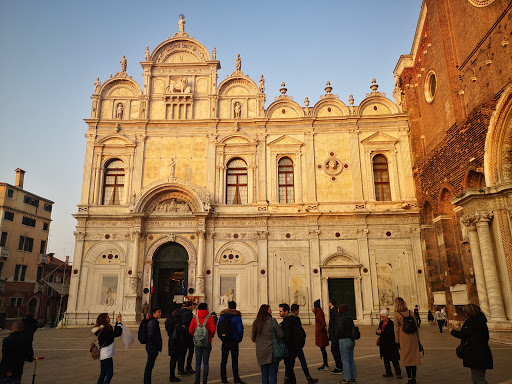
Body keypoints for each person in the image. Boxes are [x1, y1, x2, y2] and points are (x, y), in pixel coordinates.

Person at [450, 304, 493, 384]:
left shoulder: (471, 322)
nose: (465, 314)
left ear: (469, 312)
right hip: (483, 352)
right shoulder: (482, 321)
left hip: (475, 353)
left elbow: (463, 335)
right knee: (479, 377)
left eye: (465, 312)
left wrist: (452, 331)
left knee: (478, 379)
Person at [251, 305, 283, 384]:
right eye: (269, 310)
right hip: (272, 352)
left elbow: (253, 338)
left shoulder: (255, 323)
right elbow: (281, 334)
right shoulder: (272, 321)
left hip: (261, 353)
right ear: (266, 312)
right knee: (272, 375)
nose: (271, 311)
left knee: (264, 375)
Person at [287, 304, 318, 384]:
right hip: (297, 345)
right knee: (302, 362)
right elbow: (299, 332)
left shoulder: (287, 319)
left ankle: (286, 378)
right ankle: (308, 378)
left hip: (291, 345)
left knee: (290, 364)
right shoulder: (296, 319)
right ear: (297, 310)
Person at [218, 301, 246, 384]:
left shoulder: (222, 316)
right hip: (233, 341)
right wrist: (239, 339)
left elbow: (219, 328)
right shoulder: (237, 317)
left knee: (223, 360)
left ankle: (223, 379)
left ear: (228, 307)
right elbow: (240, 329)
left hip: (225, 341)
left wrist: (222, 338)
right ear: (235, 307)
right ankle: (236, 379)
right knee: (234, 360)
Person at [394, 297, 420, 384]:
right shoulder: (410, 312)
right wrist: (418, 339)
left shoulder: (396, 314)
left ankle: (409, 378)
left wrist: (397, 341)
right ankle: (414, 378)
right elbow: (416, 327)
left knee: (407, 359)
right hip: (413, 337)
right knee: (414, 359)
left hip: (403, 338)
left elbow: (396, 329)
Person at [189, 302, 216, 384]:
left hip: (197, 343)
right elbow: (213, 329)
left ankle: (197, 380)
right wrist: (210, 337)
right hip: (207, 342)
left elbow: (190, 330)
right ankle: (204, 380)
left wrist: (195, 337)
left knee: (198, 363)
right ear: (206, 308)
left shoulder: (195, 318)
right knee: (206, 363)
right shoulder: (210, 317)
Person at [92, 313, 123, 384]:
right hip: (106, 354)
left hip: (103, 354)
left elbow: (113, 332)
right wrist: (119, 322)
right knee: (109, 374)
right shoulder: (105, 330)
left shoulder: (103, 329)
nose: (109, 318)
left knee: (103, 374)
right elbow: (117, 333)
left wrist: (117, 323)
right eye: (107, 317)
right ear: (104, 319)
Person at [279, 303, 301, 384]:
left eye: (281, 311)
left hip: (289, 349)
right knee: (289, 369)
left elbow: (287, 337)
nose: (279, 313)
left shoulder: (287, 322)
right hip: (295, 348)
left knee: (289, 369)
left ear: (286, 311)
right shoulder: (296, 319)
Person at [376, 309, 402, 378]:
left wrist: (382, 332)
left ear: (387, 316)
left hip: (391, 344)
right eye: (381, 317)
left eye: (383, 317)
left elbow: (391, 333)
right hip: (383, 344)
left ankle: (398, 373)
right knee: (386, 360)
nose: (382, 318)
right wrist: (377, 332)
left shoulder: (391, 323)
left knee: (394, 360)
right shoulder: (381, 323)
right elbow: (378, 329)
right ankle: (388, 372)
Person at [335, 304, 357, 383]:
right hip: (351, 340)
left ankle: (347, 378)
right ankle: (353, 377)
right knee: (351, 359)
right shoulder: (350, 318)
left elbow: (340, 330)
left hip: (344, 341)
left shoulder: (341, 318)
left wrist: (336, 335)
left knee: (345, 360)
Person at [165, 309, 186, 382]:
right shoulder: (178, 323)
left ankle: (172, 374)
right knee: (176, 359)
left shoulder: (169, 322)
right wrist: (183, 328)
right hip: (178, 343)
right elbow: (181, 332)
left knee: (172, 360)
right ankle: (174, 375)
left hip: (171, 341)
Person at [144, 308, 163, 384]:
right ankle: (147, 382)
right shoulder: (152, 322)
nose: (160, 313)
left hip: (152, 346)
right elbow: (151, 335)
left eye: (160, 312)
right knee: (149, 366)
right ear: (154, 313)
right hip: (152, 347)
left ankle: (147, 381)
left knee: (150, 365)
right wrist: (156, 344)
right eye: (159, 312)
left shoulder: (154, 322)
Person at [179, 301, 195, 375]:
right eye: (193, 306)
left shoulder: (179, 312)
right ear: (190, 306)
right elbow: (189, 325)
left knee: (182, 353)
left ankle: (180, 369)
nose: (193, 307)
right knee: (190, 352)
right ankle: (188, 367)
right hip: (188, 336)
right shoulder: (188, 313)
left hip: (181, 335)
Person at [313, 300, 329, 371]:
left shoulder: (320, 313)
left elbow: (323, 324)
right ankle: (325, 364)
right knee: (322, 349)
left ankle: (326, 364)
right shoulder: (318, 313)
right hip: (320, 334)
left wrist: (319, 330)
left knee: (323, 350)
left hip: (321, 335)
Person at [328, 298, 343, 374]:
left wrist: (332, 332)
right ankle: (339, 365)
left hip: (335, 335)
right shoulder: (334, 311)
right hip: (334, 334)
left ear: (331, 303)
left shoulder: (334, 312)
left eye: (329, 303)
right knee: (335, 350)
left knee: (334, 350)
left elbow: (334, 324)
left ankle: (339, 367)